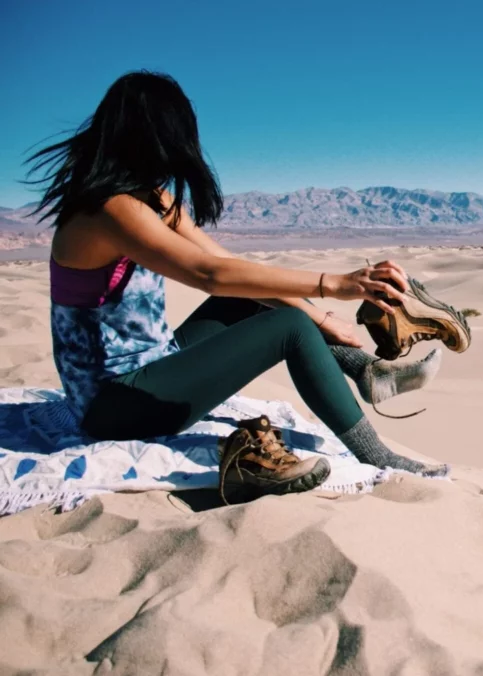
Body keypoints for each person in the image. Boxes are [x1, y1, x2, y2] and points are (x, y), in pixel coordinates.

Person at [25, 70, 456, 496]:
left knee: (258, 304)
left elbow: (224, 262)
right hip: (113, 406)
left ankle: (369, 373)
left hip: (150, 370)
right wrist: (333, 284)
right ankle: (376, 454)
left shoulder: (149, 199)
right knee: (290, 330)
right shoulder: (108, 210)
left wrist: (320, 316)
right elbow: (207, 275)